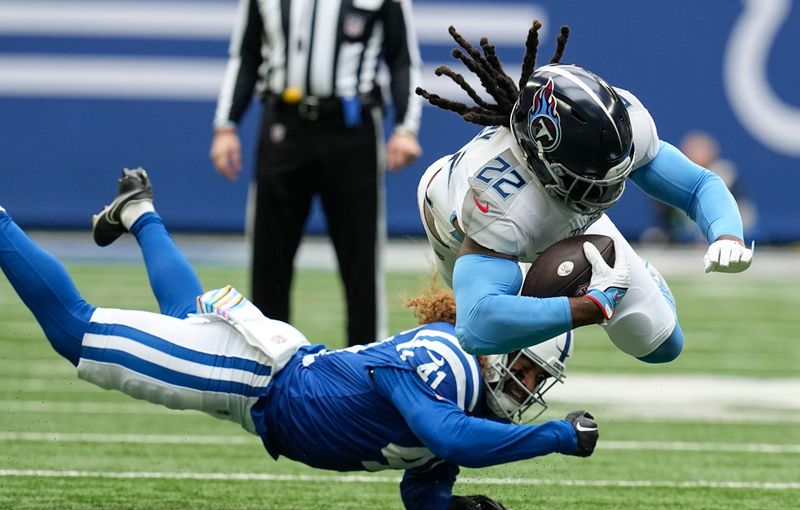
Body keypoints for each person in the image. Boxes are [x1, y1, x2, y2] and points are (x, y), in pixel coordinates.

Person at [2, 168, 599, 510]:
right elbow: (445, 437)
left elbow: (422, 488)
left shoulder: (462, 397)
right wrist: (554, 437)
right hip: (252, 374)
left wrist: (459, 509)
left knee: (186, 316)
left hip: (270, 372)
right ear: (495, 349)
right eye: (523, 370)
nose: (524, 388)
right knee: (76, 333)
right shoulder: (450, 364)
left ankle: (139, 210)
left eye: (533, 382)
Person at [414, 21, 754, 361]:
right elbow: (477, 327)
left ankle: (626, 273)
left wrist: (727, 235)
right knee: (503, 355)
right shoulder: (498, 198)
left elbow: (698, 185)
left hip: (555, 215)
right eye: (591, 180)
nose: (608, 189)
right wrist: (587, 307)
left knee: (661, 344)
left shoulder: (621, 123)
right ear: (542, 159)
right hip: (455, 229)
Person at [209, 0, 423, 346]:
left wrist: (406, 127)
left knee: (361, 262)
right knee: (269, 259)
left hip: (350, 128)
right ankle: (267, 367)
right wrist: (226, 126)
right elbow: (246, 55)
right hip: (283, 125)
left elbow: (402, 59)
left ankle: (365, 366)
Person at [642, 131, 759, 244]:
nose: (697, 155)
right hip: (683, 232)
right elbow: (664, 215)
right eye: (694, 150)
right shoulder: (673, 175)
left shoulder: (725, 175)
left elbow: (742, 210)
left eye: (701, 150)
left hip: (722, 231)